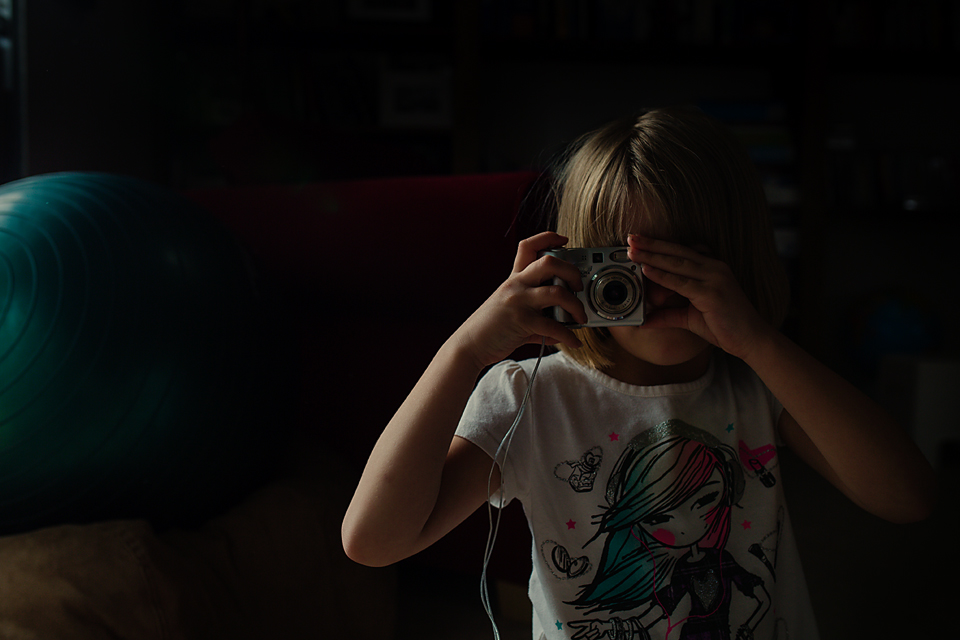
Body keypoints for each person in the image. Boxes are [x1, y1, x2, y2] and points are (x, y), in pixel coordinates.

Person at [341, 107, 937, 639]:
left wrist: (759, 342)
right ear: (575, 267)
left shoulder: (761, 383)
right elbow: (374, 541)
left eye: (681, 263)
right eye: (624, 270)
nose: (654, 293)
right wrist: (465, 352)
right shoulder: (532, 397)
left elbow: (908, 498)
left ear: (738, 260)